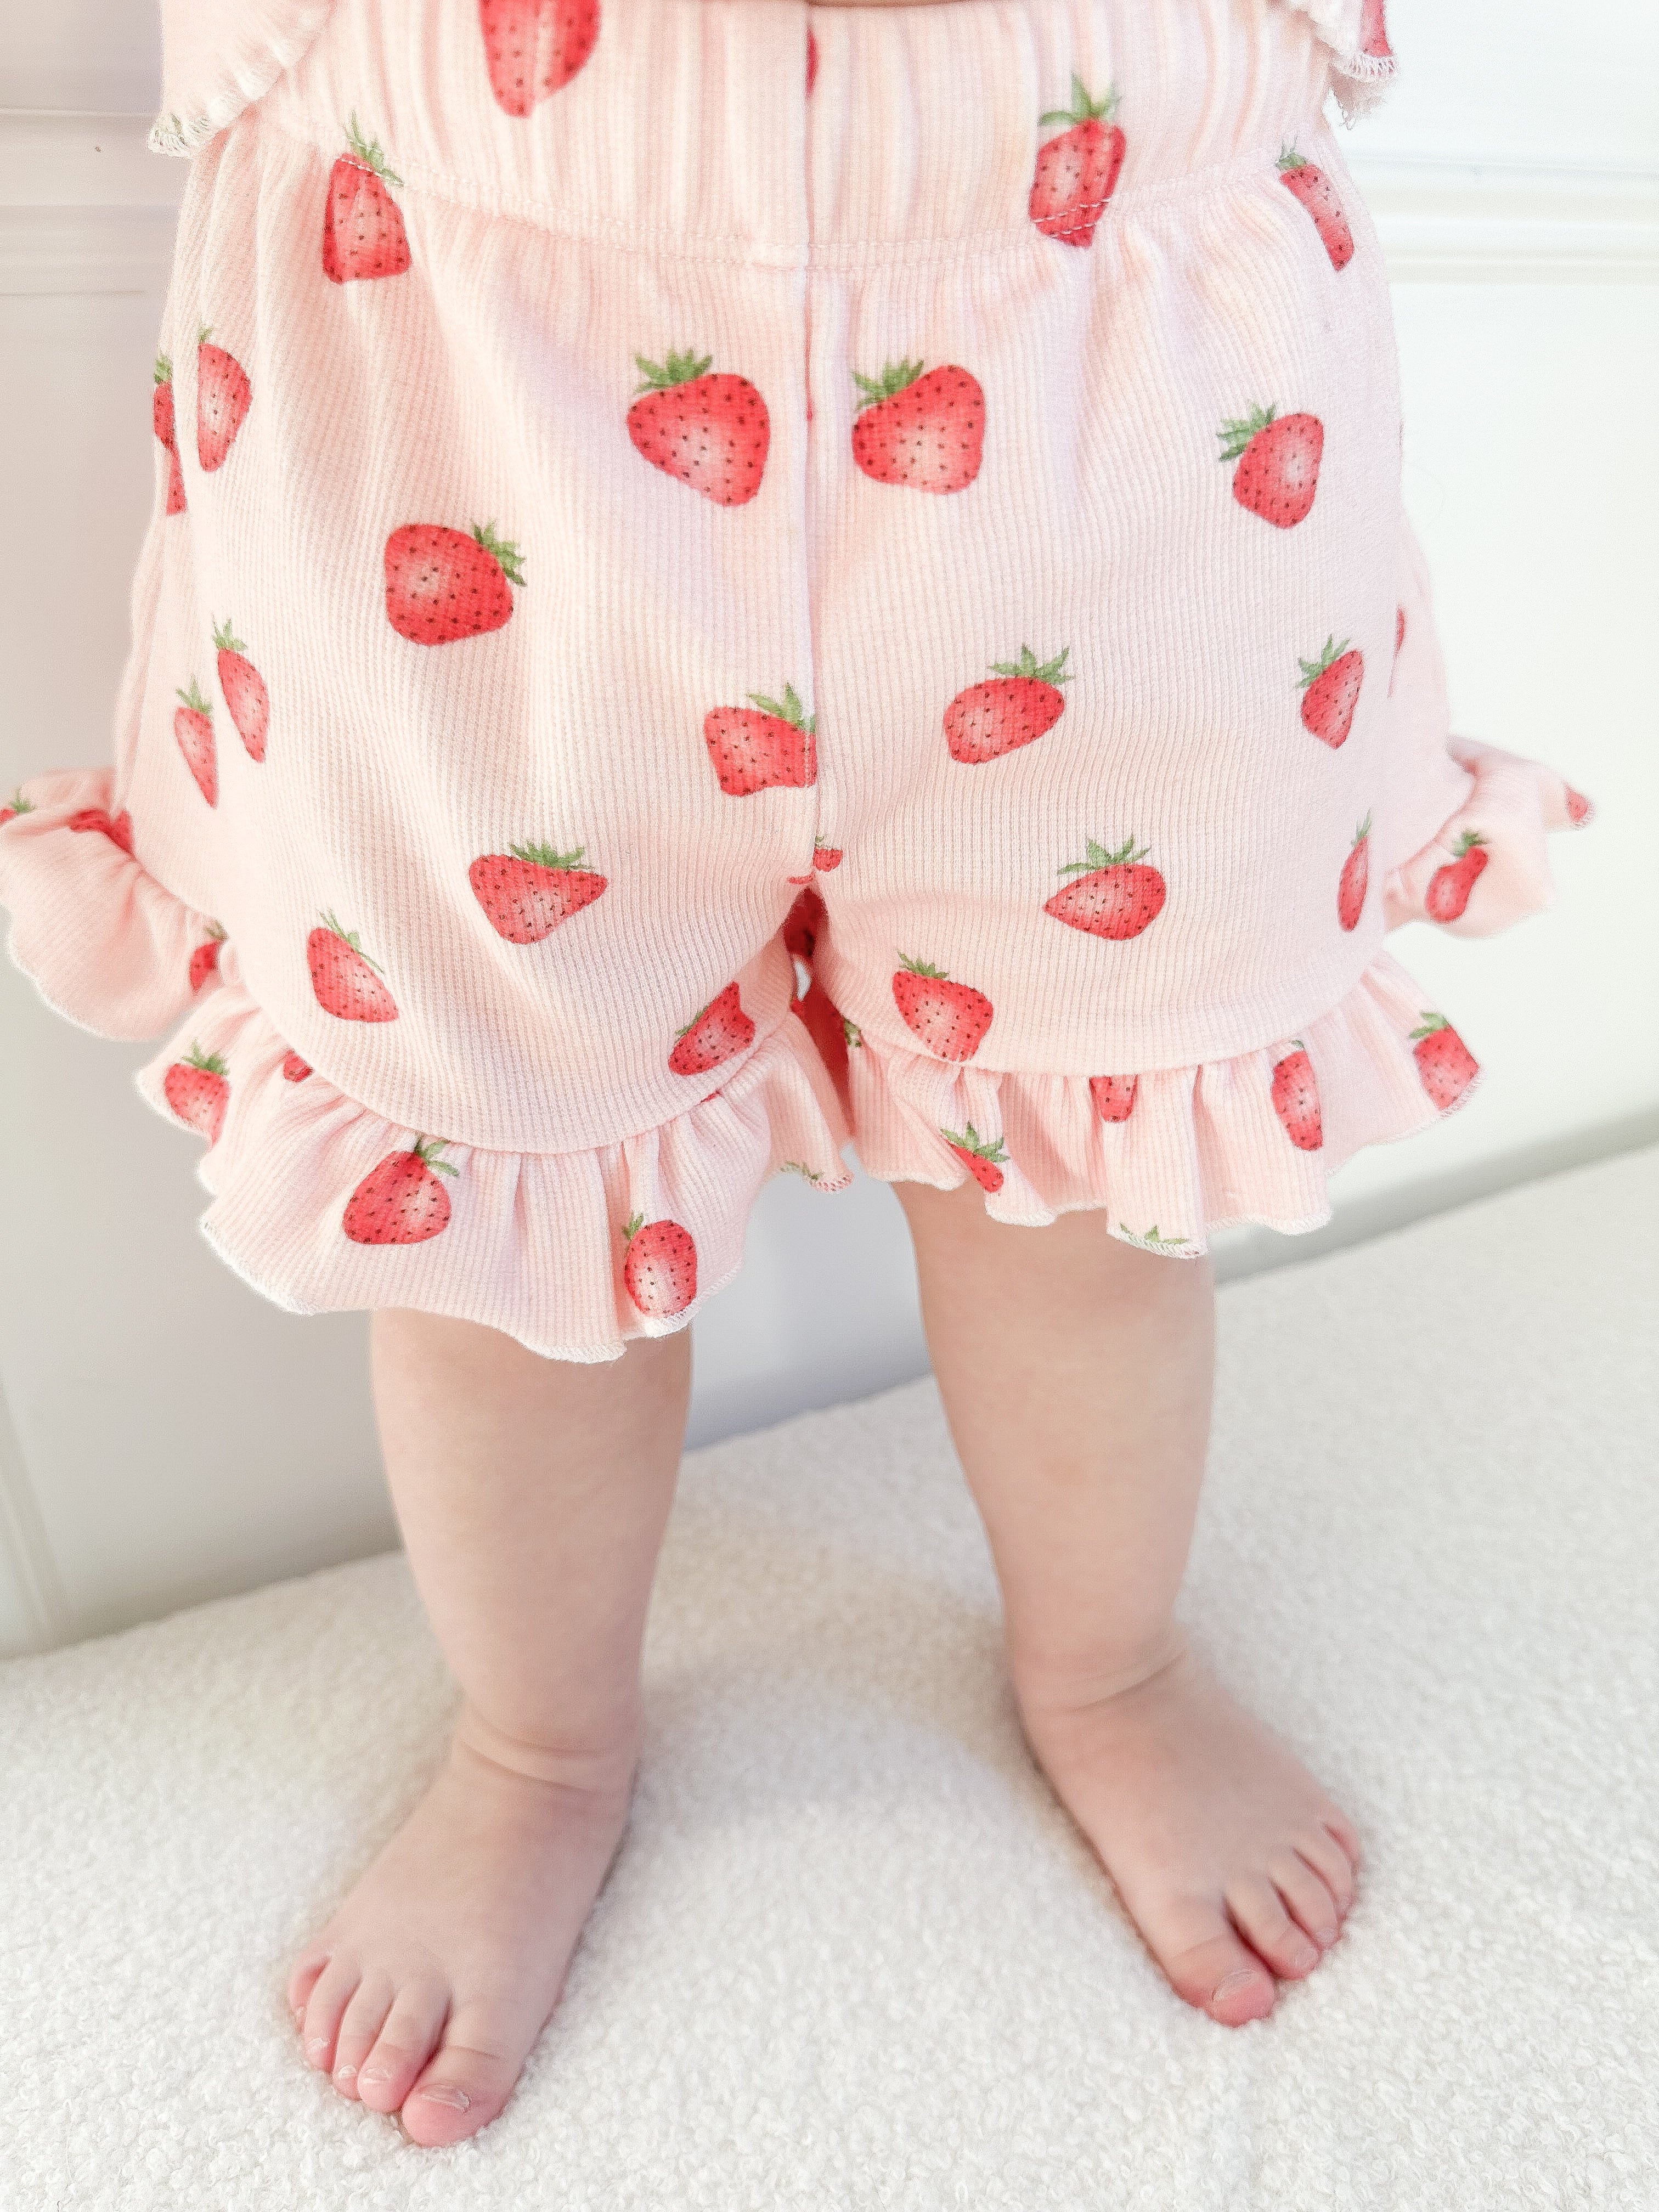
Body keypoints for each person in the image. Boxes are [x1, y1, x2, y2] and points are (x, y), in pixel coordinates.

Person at [0, 0, 1588, 2148]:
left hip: (1123, 269)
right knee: (494, 1173)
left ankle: (1105, 1663)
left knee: (1094, 1153)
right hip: (447, 273)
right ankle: (537, 1744)